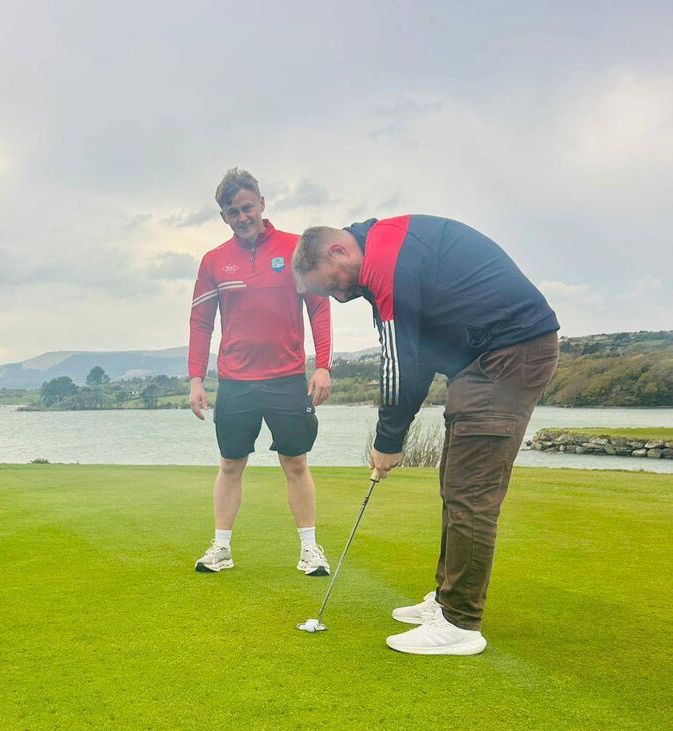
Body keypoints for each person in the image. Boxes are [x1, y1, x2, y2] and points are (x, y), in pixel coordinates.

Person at [292, 215, 559, 655]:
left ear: (339, 250)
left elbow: (400, 364)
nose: (339, 296)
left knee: (470, 492)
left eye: (333, 284)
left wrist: (388, 440)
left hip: (510, 355)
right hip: (485, 359)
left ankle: (459, 623)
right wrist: (393, 435)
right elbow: (414, 356)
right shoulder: (382, 253)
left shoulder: (385, 262)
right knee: (455, 484)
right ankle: (447, 598)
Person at [189, 168, 333, 576]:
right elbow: (201, 322)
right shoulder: (214, 261)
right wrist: (196, 378)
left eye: (247, 207)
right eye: (233, 212)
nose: (242, 217)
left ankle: (310, 550)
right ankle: (221, 548)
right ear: (224, 216)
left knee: (296, 462)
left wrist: (323, 365)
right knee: (230, 464)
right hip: (236, 382)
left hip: (287, 379)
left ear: (262, 203)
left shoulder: (294, 249)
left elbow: (319, 308)